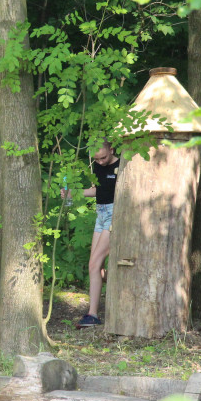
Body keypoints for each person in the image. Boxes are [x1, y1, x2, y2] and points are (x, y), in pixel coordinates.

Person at [75, 141, 119, 329]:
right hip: (100, 214)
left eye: (103, 157)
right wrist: (73, 193)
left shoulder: (122, 166)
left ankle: (92, 315)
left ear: (111, 149)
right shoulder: (98, 167)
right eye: (96, 159)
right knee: (96, 267)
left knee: (94, 264)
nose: (100, 162)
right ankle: (125, 278)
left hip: (114, 213)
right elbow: (98, 190)